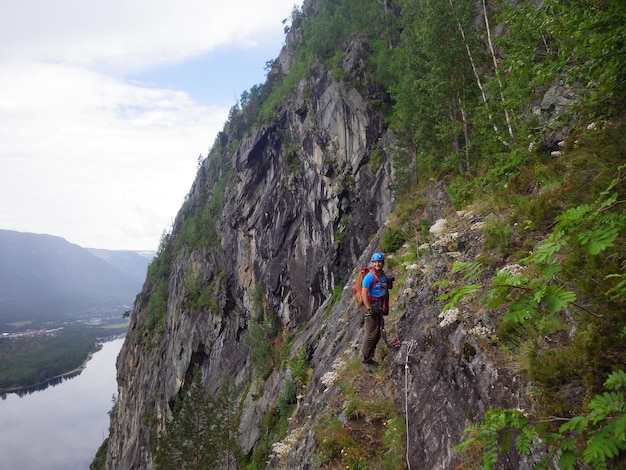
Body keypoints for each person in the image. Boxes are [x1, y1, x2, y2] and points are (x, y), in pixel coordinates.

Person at [360, 252, 391, 366]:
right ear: (372, 263)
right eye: (375, 262)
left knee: (377, 334)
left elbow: (385, 292)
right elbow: (364, 293)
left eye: (379, 262)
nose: (377, 264)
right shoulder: (369, 277)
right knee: (371, 334)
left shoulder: (382, 276)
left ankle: (369, 357)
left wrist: (386, 306)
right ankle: (366, 360)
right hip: (371, 307)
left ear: (382, 263)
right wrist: (369, 309)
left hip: (378, 307)